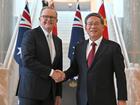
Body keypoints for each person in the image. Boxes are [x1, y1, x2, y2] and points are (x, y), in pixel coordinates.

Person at [53, 13, 127, 105]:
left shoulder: (113, 47)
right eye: (90, 24)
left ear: (103, 27)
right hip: (83, 98)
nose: (93, 26)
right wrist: (63, 75)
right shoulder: (79, 47)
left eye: (96, 23)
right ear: (86, 27)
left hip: (105, 99)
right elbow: (74, 69)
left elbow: (120, 75)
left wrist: (122, 99)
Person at [17, 6, 63, 105]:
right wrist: (51, 72)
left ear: (56, 21)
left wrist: (58, 94)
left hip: (50, 94)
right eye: (45, 16)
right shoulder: (30, 35)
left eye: (52, 17)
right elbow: (27, 60)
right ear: (40, 19)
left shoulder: (58, 41)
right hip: (31, 92)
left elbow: (58, 68)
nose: (48, 19)